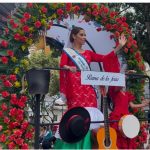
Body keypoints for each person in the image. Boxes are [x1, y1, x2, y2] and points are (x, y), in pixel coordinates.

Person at [54, 26, 127, 149]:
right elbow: (62, 66)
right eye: (81, 35)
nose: (84, 37)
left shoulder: (88, 53)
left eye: (85, 35)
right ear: (74, 36)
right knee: (76, 116)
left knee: (89, 117)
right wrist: (67, 68)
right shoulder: (67, 52)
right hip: (75, 88)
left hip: (88, 89)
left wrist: (119, 47)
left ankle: (87, 145)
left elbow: (104, 58)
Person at [108, 70, 150, 149]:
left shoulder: (126, 94)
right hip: (117, 116)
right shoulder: (114, 90)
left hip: (126, 117)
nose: (124, 82)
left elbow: (132, 106)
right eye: (122, 80)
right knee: (119, 137)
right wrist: (125, 75)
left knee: (128, 137)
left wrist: (144, 104)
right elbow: (119, 85)